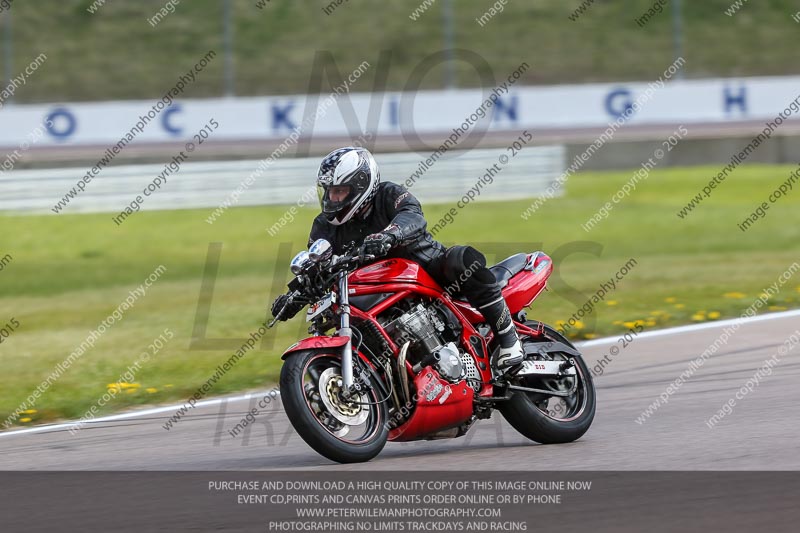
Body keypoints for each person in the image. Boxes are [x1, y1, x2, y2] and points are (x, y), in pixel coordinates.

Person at [270, 147, 523, 370]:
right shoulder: (323, 226)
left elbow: (412, 215)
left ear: (361, 187)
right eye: (329, 192)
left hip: (424, 268)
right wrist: (295, 296)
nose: (332, 199)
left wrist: (389, 235)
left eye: (340, 192)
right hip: (373, 287)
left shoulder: (388, 194)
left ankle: (508, 338)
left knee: (463, 259)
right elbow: (320, 265)